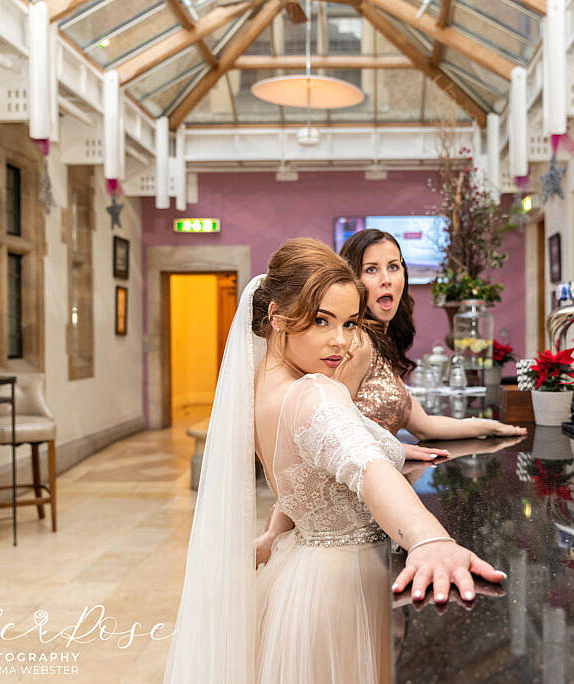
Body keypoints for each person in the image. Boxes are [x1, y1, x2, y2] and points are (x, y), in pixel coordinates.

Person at [163, 239, 505, 683]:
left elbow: (309, 475)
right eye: (322, 321)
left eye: (348, 322)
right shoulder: (314, 393)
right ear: (277, 316)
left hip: (302, 574)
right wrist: (429, 539)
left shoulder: (262, 391)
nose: (341, 341)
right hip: (342, 586)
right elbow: (366, 467)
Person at [338, 229, 526, 444]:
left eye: (393, 267)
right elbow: (337, 430)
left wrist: (490, 427)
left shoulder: (379, 343)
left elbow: (426, 427)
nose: (386, 279)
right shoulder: (356, 342)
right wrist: (399, 451)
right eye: (371, 269)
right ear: (352, 280)